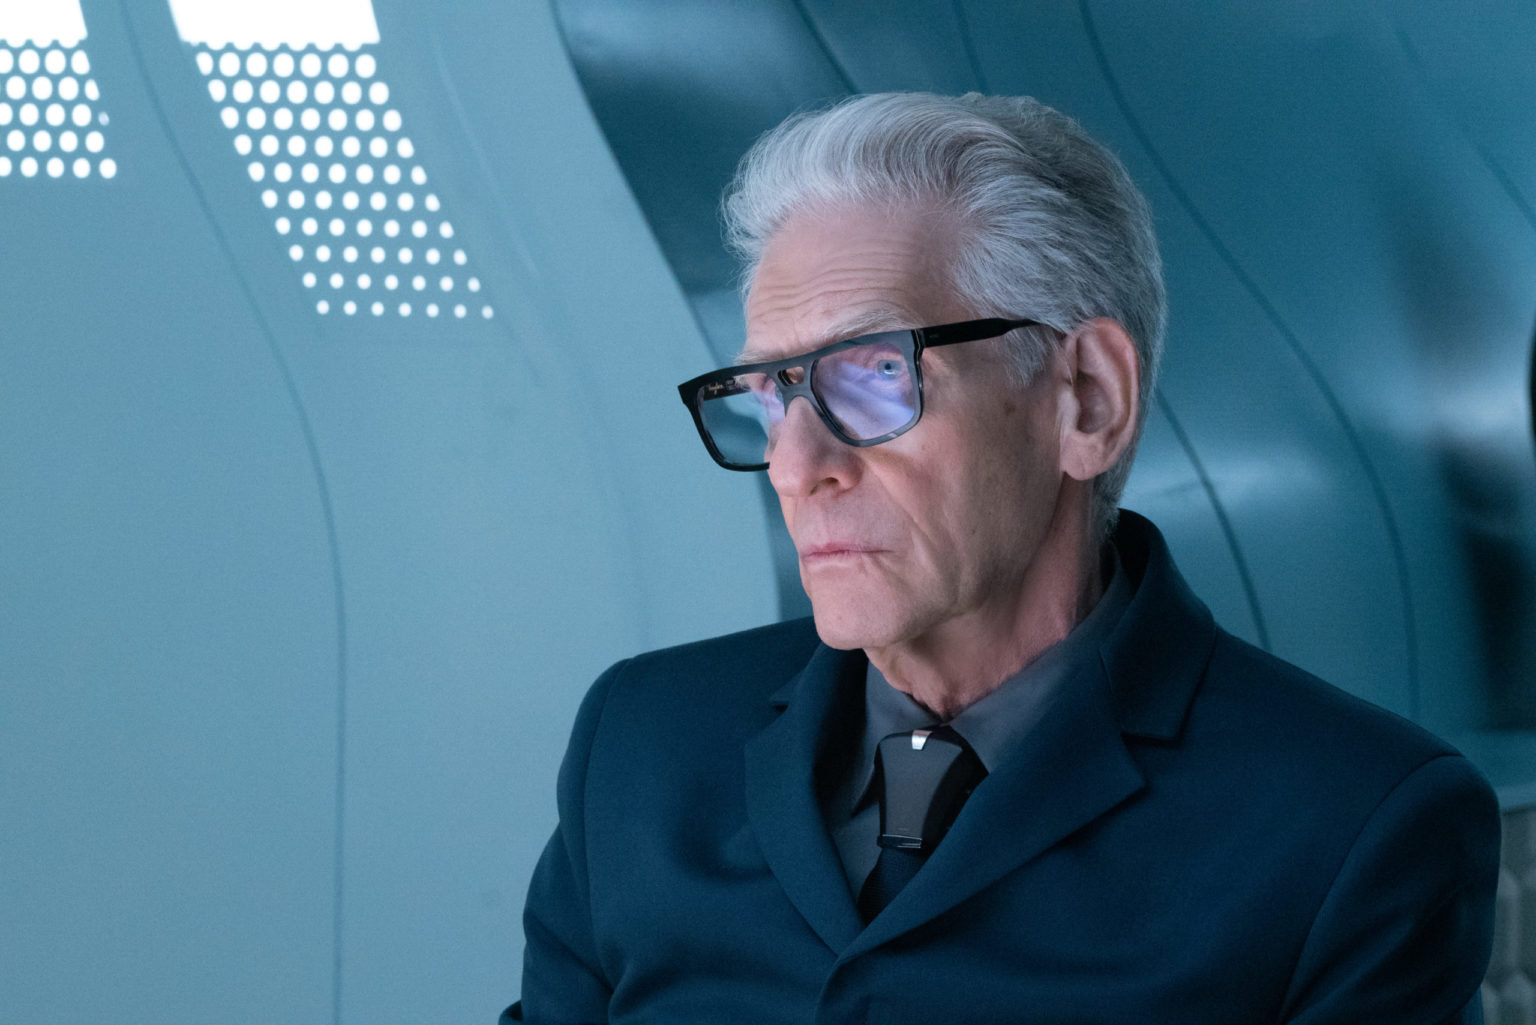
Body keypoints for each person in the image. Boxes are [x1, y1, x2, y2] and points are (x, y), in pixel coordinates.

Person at [506, 93, 1499, 1023]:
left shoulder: (1354, 828)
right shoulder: (637, 747)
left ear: (1087, 399)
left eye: (875, 373)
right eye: (772, 393)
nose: (796, 466)